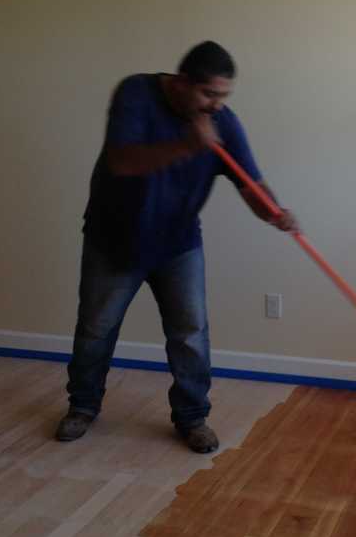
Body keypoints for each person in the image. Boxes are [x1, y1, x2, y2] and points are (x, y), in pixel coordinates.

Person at [55, 40, 297, 453]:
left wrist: (272, 211)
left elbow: (251, 184)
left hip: (178, 245)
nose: (216, 105)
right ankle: (82, 407)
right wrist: (188, 144)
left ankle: (191, 417)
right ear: (183, 83)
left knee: (190, 334)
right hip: (113, 240)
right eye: (209, 94)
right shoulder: (136, 93)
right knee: (96, 328)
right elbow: (123, 161)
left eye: (223, 96)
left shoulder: (223, 123)